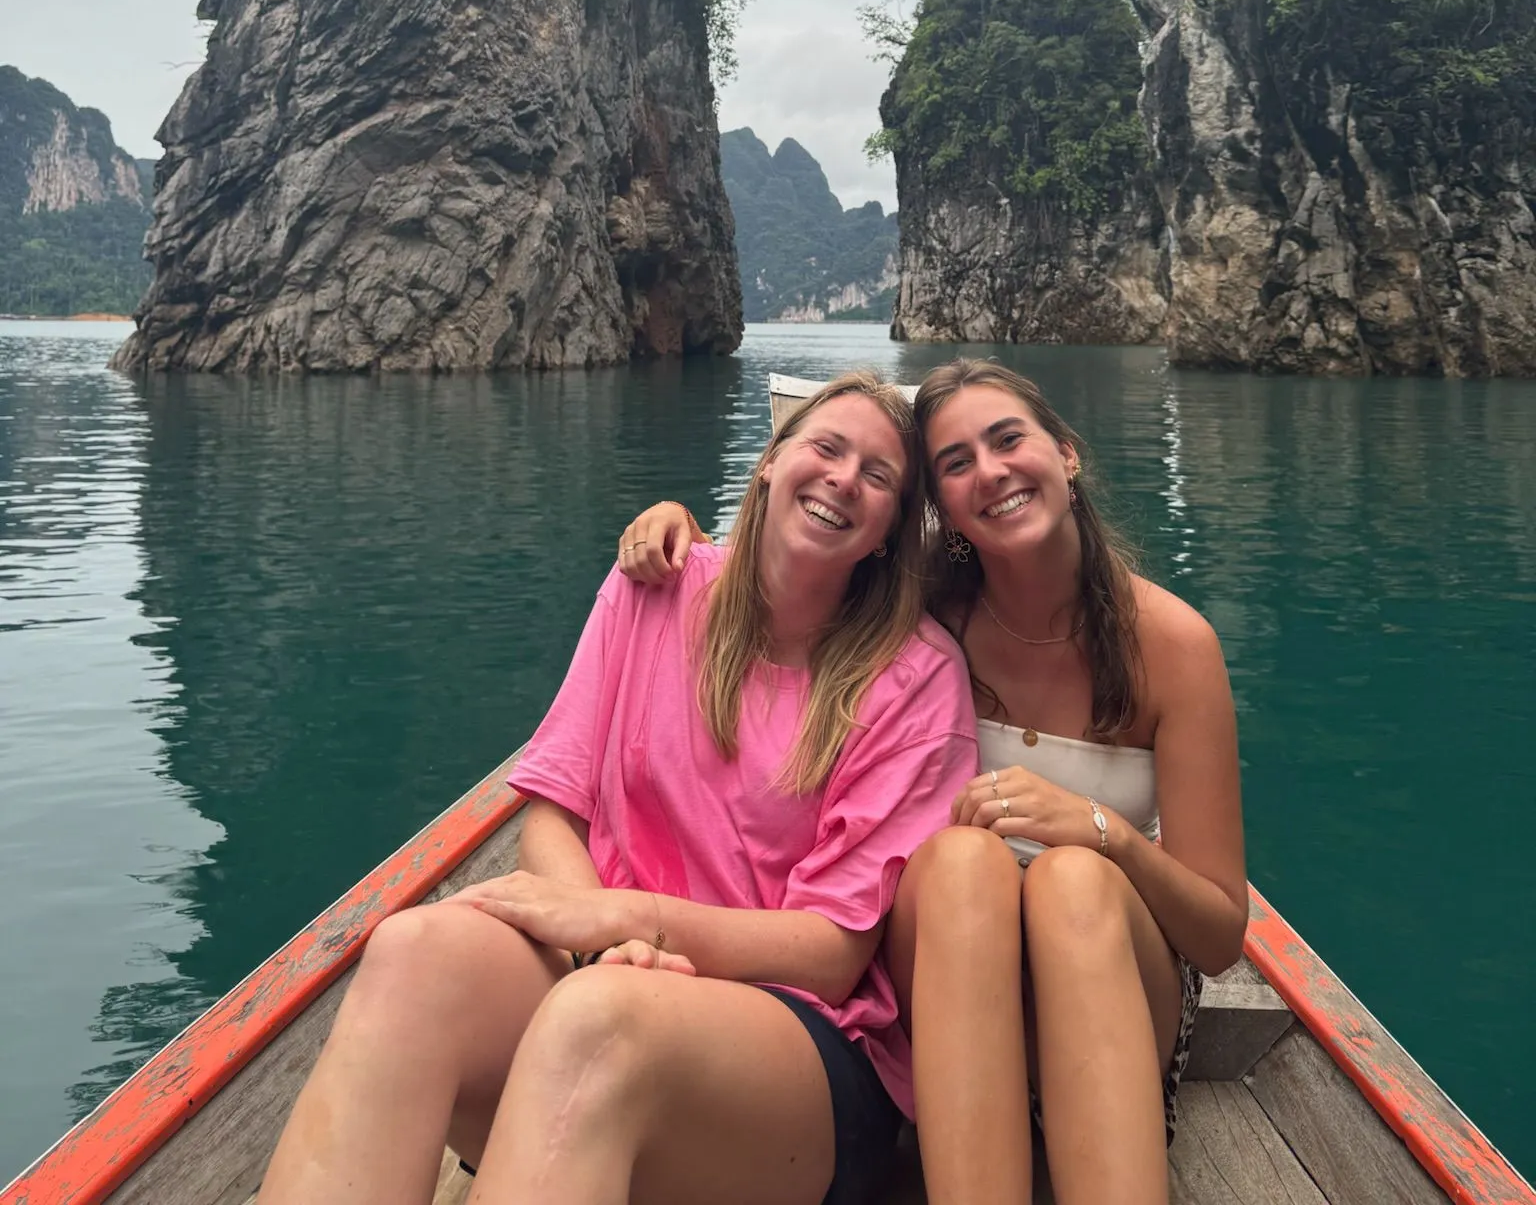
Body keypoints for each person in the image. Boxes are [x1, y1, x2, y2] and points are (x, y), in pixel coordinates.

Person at [257, 371, 977, 1205]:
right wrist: (600, 945)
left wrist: (636, 926)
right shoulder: (656, 587)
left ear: (890, 529)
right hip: (608, 975)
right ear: (771, 464)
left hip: (800, 1054)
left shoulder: (914, 679)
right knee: (414, 952)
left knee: (598, 1022)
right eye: (825, 447)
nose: (844, 478)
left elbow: (833, 953)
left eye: (878, 475)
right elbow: (556, 807)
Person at [619, 358, 1248, 1205]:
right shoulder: (921, 620)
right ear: (942, 507)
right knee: (958, 862)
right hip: (949, 978)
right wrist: (683, 534)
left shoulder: (1173, 646)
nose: (989, 472)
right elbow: (795, 559)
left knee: (1070, 881)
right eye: (955, 463)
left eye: (1008, 440)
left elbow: (1218, 937)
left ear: (1067, 455)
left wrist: (1105, 831)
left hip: (1112, 974)